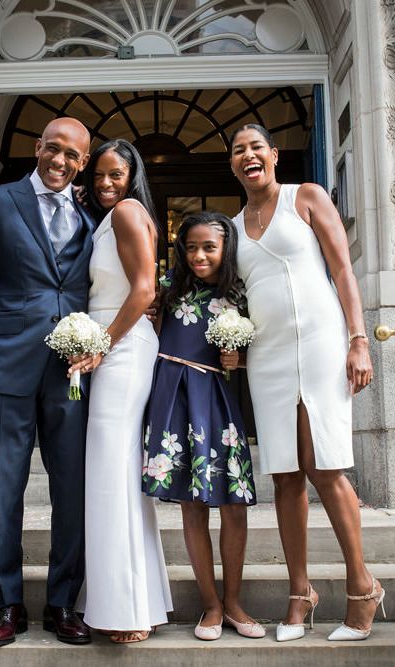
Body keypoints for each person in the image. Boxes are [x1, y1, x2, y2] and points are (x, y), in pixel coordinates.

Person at [225, 124, 384, 642]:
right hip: (267, 357)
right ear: (233, 165)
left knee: (325, 466)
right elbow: (236, 297)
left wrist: (358, 340)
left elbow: (343, 271)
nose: (248, 156)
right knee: (285, 476)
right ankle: (300, 593)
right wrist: (231, 341)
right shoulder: (231, 227)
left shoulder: (307, 197)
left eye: (256, 147)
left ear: (273, 155)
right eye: (238, 151)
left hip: (320, 345)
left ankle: (363, 588)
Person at [0, 117, 94, 647]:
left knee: (72, 490)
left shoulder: (90, 212)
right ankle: (8, 604)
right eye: (53, 150)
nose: (60, 162)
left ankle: (63, 603)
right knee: (3, 489)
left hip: (72, 372)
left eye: (72, 156)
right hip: (5, 364)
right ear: (37, 148)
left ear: (82, 162)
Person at [69, 138, 172, 643]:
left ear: (132, 177)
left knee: (112, 473)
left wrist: (101, 347)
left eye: (116, 174)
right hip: (117, 345)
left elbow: (145, 290)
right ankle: (132, 598)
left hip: (124, 350)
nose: (106, 183)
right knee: (117, 474)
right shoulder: (109, 217)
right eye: (100, 175)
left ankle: (127, 610)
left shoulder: (130, 212)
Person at [142, 211, 264, 641]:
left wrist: (240, 359)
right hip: (173, 399)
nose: (199, 255)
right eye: (191, 247)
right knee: (192, 507)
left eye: (209, 247)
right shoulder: (167, 293)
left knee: (233, 503)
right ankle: (210, 606)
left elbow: (263, 350)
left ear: (226, 249)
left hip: (216, 400)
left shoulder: (241, 295)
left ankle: (233, 602)